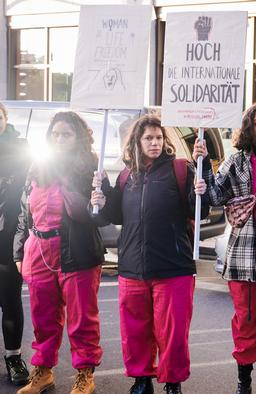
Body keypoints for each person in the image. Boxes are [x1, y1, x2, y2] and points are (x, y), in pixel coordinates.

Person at [90, 115, 209, 394]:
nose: (155, 143)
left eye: (158, 138)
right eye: (148, 138)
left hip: (173, 267)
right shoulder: (125, 176)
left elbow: (200, 211)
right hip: (132, 267)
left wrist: (202, 188)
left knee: (173, 333)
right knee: (135, 332)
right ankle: (141, 379)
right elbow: (112, 216)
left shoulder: (181, 169)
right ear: (137, 142)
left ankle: (172, 382)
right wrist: (102, 196)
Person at [14, 111, 105, 394]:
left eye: (66, 134)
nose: (59, 139)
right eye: (55, 134)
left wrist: (87, 191)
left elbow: (97, 215)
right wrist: (19, 252)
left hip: (76, 251)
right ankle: (43, 372)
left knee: (82, 319)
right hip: (39, 251)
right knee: (43, 318)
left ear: (78, 137)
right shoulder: (37, 167)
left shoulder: (89, 170)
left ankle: (84, 374)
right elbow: (24, 213)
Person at [201, 102, 256, 394]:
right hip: (245, 250)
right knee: (246, 318)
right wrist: (201, 166)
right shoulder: (238, 161)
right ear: (249, 130)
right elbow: (214, 196)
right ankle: (244, 382)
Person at [0, 102, 30, 386]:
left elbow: (29, 198)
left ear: (5, 120)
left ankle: (13, 357)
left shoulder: (22, 150)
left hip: (8, 238)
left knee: (9, 299)